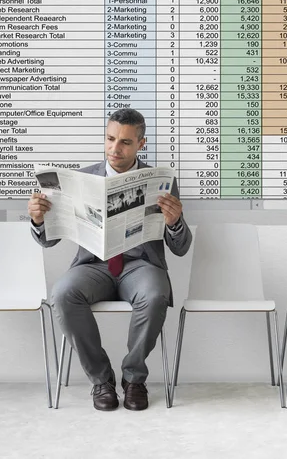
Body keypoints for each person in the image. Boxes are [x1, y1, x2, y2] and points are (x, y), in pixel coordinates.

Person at [28, 108, 192, 411]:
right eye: (110, 139)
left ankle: (134, 379)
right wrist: (38, 220)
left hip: (141, 266)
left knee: (156, 294)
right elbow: (48, 240)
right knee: (63, 294)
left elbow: (181, 247)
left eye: (125, 143)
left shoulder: (161, 181)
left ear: (141, 144)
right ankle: (101, 381)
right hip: (94, 265)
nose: (115, 149)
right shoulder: (80, 179)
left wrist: (175, 222)